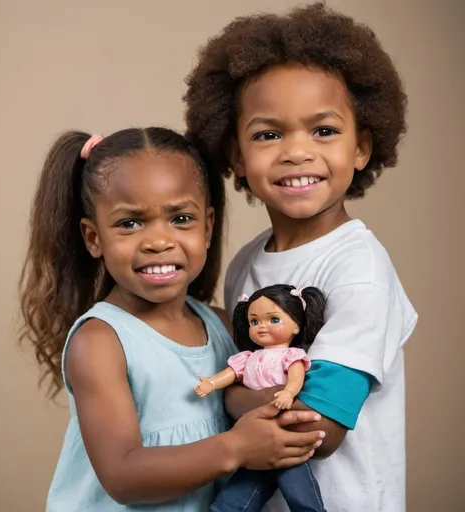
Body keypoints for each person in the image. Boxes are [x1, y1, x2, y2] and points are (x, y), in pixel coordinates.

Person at [184, 4, 418, 511]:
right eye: (269, 134)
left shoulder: (360, 272)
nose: (297, 152)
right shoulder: (245, 263)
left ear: (361, 147)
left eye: (324, 131)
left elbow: (317, 428)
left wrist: (229, 395)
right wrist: (265, 397)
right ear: (236, 157)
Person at [19, 127, 324, 511]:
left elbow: (237, 395)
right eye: (130, 223)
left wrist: (275, 404)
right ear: (93, 238)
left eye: (180, 218)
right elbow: (123, 475)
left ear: (208, 226)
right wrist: (237, 447)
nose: (159, 241)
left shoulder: (222, 324)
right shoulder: (99, 342)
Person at [196, 284, 327, 512]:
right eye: (254, 322)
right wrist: (211, 383)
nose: (262, 327)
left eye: (273, 320)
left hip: (284, 435)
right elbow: (231, 374)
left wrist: (288, 392)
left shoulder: (291, 355)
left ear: (296, 325)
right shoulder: (247, 357)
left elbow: (296, 378)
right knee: (239, 492)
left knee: (298, 489)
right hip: (251, 437)